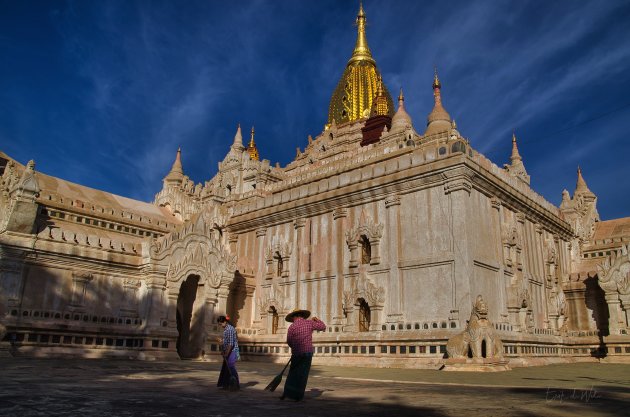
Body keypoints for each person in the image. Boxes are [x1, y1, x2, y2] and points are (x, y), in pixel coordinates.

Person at [281, 308, 326, 401]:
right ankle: (298, 395)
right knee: (303, 375)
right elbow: (323, 326)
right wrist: (317, 320)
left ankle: (287, 393)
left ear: (295, 316)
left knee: (292, 374)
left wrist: (294, 347)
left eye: (293, 317)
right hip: (307, 353)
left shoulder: (292, 327)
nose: (293, 319)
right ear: (302, 316)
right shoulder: (309, 323)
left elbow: (289, 341)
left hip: (296, 354)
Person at [216, 315, 240, 390]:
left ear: (225, 322)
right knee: (226, 368)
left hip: (232, 351)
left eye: (221, 324)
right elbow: (227, 341)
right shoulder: (226, 329)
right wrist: (222, 342)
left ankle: (235, 384)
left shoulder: (229, 329)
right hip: (228, 350)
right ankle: (226, 384)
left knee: (231, 367)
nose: (221, 326)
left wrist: (227, 353)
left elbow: (231, 343)